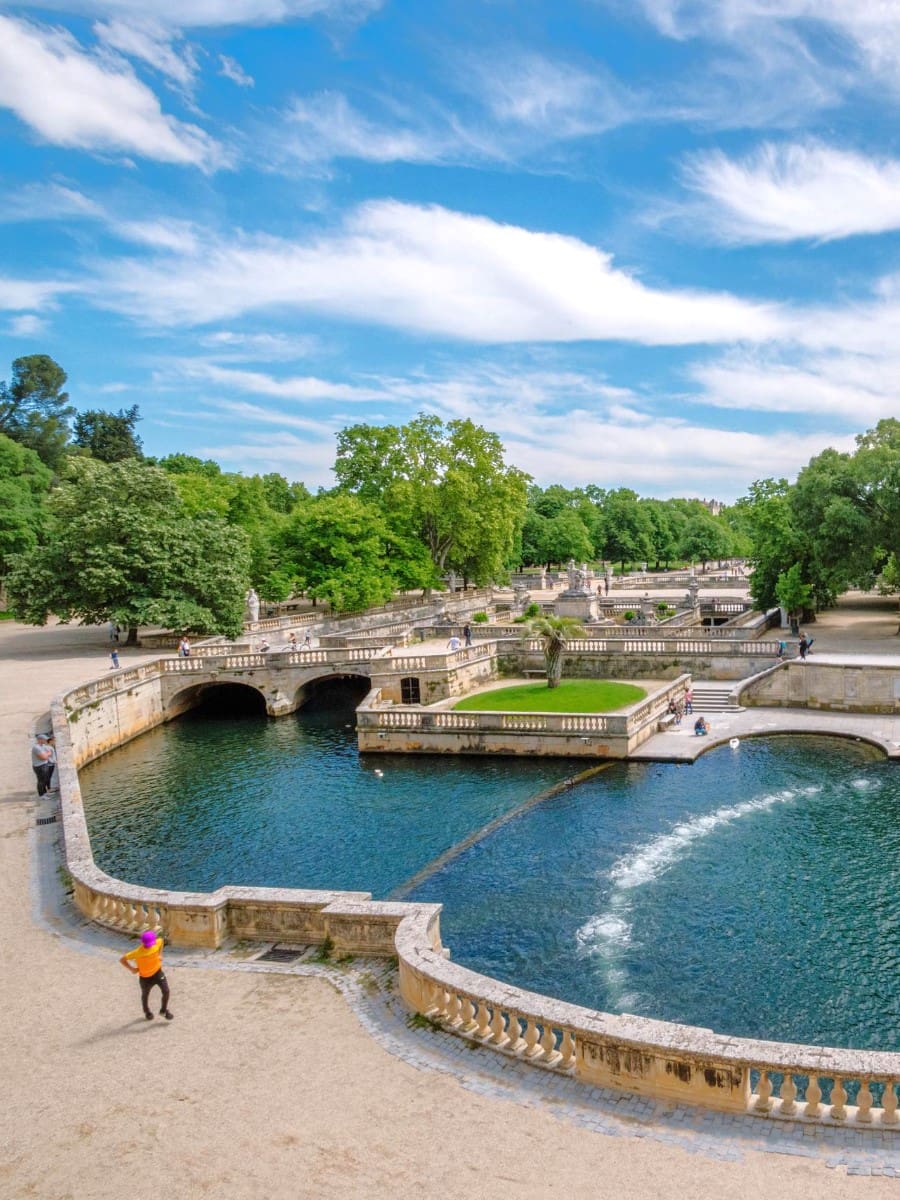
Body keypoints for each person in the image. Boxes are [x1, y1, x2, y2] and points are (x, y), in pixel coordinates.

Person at [120, 929, 173, 1021]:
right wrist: (132, 969)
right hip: (145, 978)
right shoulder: (138, 952)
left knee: (166, 991)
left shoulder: (156, 943)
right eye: (147, 944)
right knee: (145, 995)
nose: (149, 946)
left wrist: (160, 955)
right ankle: (147, 1012)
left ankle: (163, 1010)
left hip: (158, 973)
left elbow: (161, 941)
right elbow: (122, 959)